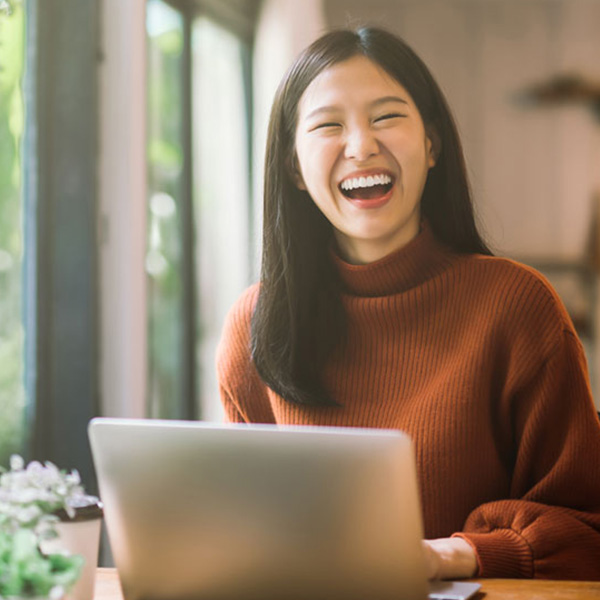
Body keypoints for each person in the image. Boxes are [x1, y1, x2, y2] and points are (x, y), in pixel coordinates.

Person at [216, 26, 600, 581]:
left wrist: (451, 555)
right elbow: (241, 526)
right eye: (328, 125)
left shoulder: (517, 306)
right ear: (295, 169)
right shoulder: (255, 324)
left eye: (387, 117)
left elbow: (588, 531)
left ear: (432, 144)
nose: (361, 145)